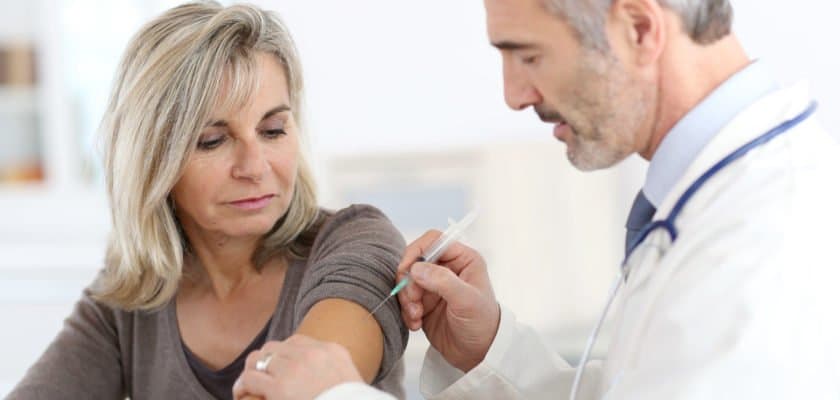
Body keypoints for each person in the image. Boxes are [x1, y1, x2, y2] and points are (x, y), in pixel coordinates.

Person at [231, 0, 840, 399]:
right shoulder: (708, 204)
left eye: (528, 55)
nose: (514, 95)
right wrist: (494, 352)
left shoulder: (767, 243)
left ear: (640, 28)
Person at [8, 2, 409, 399]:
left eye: (272, 130)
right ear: (153, 161)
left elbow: (309, 382)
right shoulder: (130, 298)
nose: (254, 166)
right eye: (212, 141)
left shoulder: (357, 243)